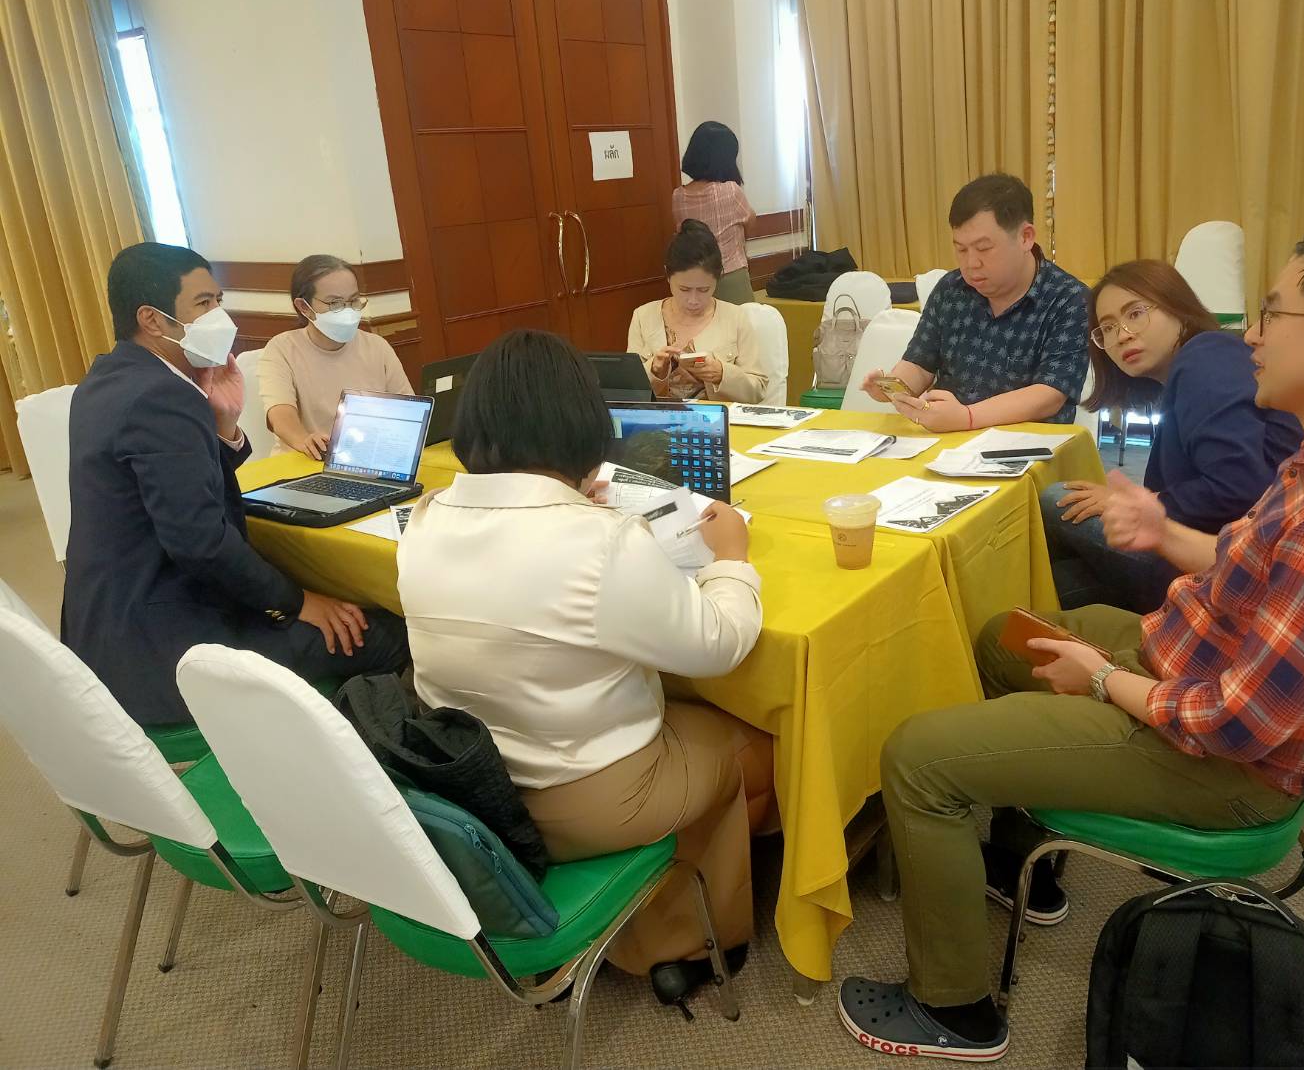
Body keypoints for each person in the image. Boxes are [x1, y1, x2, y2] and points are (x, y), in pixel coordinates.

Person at [838, 219, 1304, 1061]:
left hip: (1222, 761)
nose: (1250, 334)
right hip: (1197, 662)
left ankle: (952, 1009)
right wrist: (1161, 531)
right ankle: (1024, 865)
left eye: (1271, 313)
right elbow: (1255, 563)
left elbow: (1235, 722)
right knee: (1002, 637)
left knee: (918, 758)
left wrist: (1103, 681)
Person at [397, 329, 774, 1004]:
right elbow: (718, 646)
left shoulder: (425, 519)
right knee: (757, 746)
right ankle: (684, 939)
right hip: (584, 796)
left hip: (470, 779)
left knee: (679, 727)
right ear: (583, 426)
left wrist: (576, 510)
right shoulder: (602, 541)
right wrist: (732, 558)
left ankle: (659, 920)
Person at [62, 242, 410, 727]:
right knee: (386, 632)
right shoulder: (162, 396)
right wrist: (298, 602)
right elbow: (201, 543)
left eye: (218, 300)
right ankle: (347, 747)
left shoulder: (108, 378)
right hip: (169, 649)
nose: (219, 315)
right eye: (203, 303)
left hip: (108, 627)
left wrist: (223, 424)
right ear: (153, 319)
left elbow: (183, 489)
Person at [1043, 260, 1303, 612]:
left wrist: (1147, 503)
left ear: (1177, 307)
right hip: (1231, 544)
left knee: (1054, 500)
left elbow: (1239, 485)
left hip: (1224, 555)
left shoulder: (1205, 356)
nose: (1122, 335)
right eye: (1108, 328)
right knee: (1053, 581)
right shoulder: (1198, 365)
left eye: (1135, 314)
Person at [861, 173, 1091, 432]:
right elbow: (919, 363)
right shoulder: (951, 289)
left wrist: (967, 417)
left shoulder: (1068, 298)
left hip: (1028, 446)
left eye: (983, 248)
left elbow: (1049, 394)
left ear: (1026, 237)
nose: (971, 263)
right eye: (961, 249)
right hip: (948, 441)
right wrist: (894, 387)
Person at [258, 254, 413, 457]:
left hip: (367, 457)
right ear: (304, 307)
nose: (348, 311)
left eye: (354, 301)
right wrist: (304, 440)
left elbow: (407, 409)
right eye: (335, 304)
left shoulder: (377, 346)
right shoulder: (282, 349)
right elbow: (280, 414)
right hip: (307, 460)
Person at [628, 220, 773, 403]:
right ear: (668, 275)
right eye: (684, 289)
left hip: (720, 418)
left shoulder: (736, 318)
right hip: (659, 419)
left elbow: (758, 390)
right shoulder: (643, 317)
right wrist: (654, 371)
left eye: (704, 290)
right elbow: (628, 390)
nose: (693, 300)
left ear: (718, 278)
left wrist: (722, 374)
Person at [672, 121, 758, 304]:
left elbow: (682, 234)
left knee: (702, 322)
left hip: (696, 280)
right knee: (741, 321)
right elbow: (751, 223)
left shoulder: (678, 196)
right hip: (731, 276)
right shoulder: (731, 191)